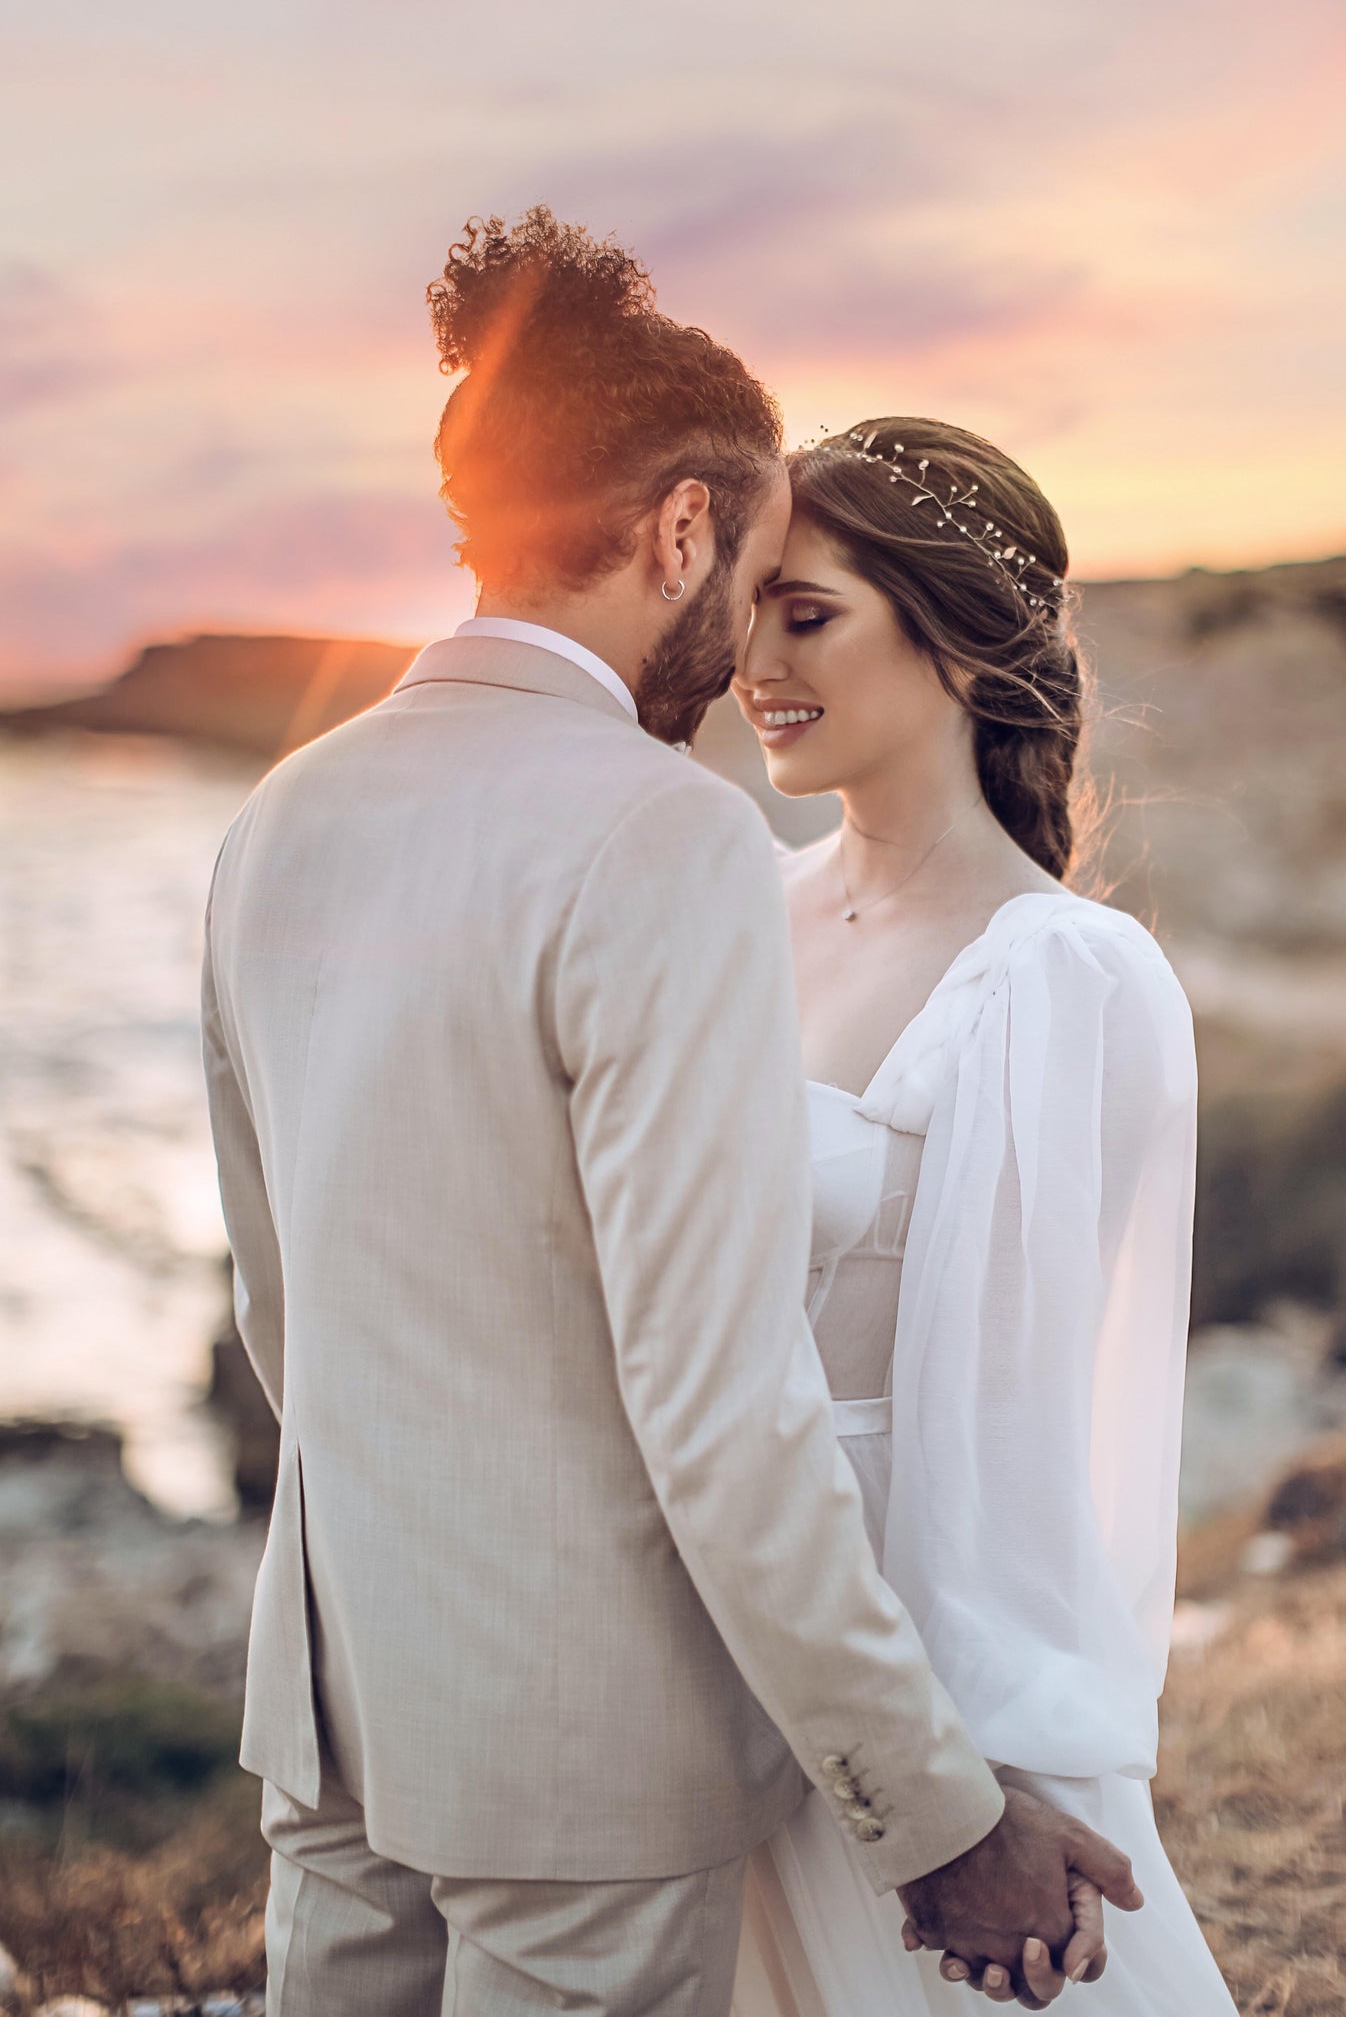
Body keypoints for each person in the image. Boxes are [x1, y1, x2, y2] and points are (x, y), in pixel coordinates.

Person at [201, 215, 1139, 2017]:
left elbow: (283, 1314)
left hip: (331, 1717)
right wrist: (934, 1815)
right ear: (685, 528)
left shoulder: (279, 819)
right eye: (755, 567)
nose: (750, 642)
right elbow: (717, 1403)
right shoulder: (664, 835)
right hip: (579, 1754)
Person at [728, 420, 1239, 2013]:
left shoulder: (1054, 977)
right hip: (714, 1644)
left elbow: (1021, 1446)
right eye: (747, 606)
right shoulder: (729, 904)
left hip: (908, 1670)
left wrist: (976, 1797)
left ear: (951, 638)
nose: (752, 657)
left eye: (803, 614)